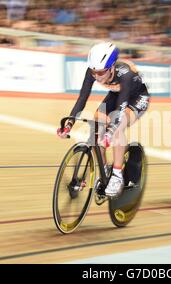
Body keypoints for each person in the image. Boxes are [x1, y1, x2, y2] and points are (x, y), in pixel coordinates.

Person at [57, 42, 150, 197]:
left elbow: (120, 109)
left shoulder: (126, 74)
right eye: (94, 72)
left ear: (112, 67)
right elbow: (82, 99)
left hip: (137, 98)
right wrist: (69, 124)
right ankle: (104, 168)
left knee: (117, 127)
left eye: (101, 73)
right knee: (96, 125)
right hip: (116, 94)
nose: (96, 76)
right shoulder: (93, 70)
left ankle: (117, 175)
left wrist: (110, 133)